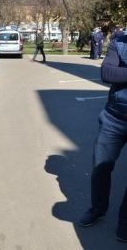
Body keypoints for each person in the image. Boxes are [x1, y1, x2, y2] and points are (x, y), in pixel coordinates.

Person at [78, 33, 127, 242]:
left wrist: (122, 71)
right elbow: (107, 72)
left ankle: (125, 222)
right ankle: (98, 208)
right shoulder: (119, 42)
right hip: (114, 118)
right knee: (100, 168)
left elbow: (117, 72)